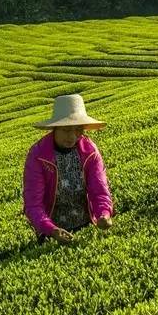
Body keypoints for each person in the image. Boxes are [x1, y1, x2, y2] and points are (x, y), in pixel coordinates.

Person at [22, 94, 114, 244]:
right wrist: (50, 229)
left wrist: (103, 214)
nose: (72, 136)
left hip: (86, 224)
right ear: (55, 128)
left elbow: (99, 189)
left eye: (78, 130)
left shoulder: (90, 152)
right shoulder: (38, 156)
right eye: (66, 130)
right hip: (51, 232)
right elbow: (33, 204)